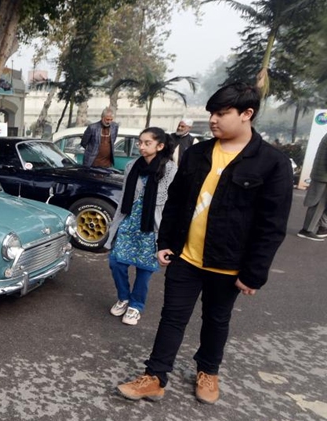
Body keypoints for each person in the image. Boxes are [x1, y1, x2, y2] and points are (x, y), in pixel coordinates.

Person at [117, 83, 293, 404]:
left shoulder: (271, 163)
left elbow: (272, 224)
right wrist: (165, 241)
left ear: (246, 114)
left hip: (228, 264)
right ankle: (155, 377)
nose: (213, 119)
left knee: (216, 319)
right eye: (212, 112)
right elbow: (175, 202)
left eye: (222, 113)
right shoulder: (198, 153)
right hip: (186, 257)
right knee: (172, 317)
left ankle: (208, 371)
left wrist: (254, 272)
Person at [105, 127, 178, 326]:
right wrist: (116, 223)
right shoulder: (131, 166)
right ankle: (124, 297)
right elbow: (124, 197)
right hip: (129, 221)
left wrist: (168, 234)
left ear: (160, 146)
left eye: (147, 143)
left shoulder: (170, 168)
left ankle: (136, 305)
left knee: (144, 270)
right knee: (115, 262)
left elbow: (172, 202)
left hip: (152, 226)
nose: (141, 146)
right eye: (140, 142)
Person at [297, 133, 327, 241]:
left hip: (322, 175)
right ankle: (307, 230)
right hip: (323, 177)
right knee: (318, 203)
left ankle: (323, 228)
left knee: (322, 204)